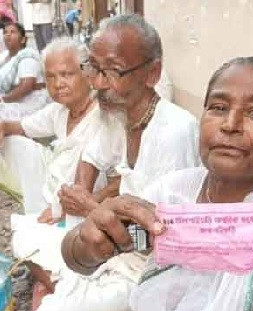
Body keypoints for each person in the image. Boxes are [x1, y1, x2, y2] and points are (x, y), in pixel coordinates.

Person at [61, 57, 253, 311]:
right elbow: (76, 258)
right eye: (218, 107)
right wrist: (86, 245)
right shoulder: (173, 193)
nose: (230, 124)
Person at [36, 14, 200, 311]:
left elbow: (158, 234)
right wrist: (80, 199)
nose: (98, 82)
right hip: (114, 248)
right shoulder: (115, 112)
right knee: (33, 242)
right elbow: (90, 159)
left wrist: (90, 209)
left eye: (111, 71)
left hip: (151, 266)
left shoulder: (175, 131)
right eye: (93, 68)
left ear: (152, 73)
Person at [0, 36, 103, 223]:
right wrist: (1, 125)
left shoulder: (103, 113)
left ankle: (57, 210)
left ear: (87, 74)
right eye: (50, 77)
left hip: (92, 197)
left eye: (66, 74)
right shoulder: (59, 111)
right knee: (12, 143)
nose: (58, 84)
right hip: (61, 190)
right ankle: (39, 207)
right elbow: (22, 127)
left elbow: (117, 179)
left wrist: (76, 205)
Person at [0, 22, 50, 124]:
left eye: (12, 32)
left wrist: (2, 99)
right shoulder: (1, 57)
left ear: (23, 39)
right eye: (5, 32)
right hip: (4, 98)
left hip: (27, 103)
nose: (8, 34)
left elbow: (26, 86)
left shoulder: (28, 55)